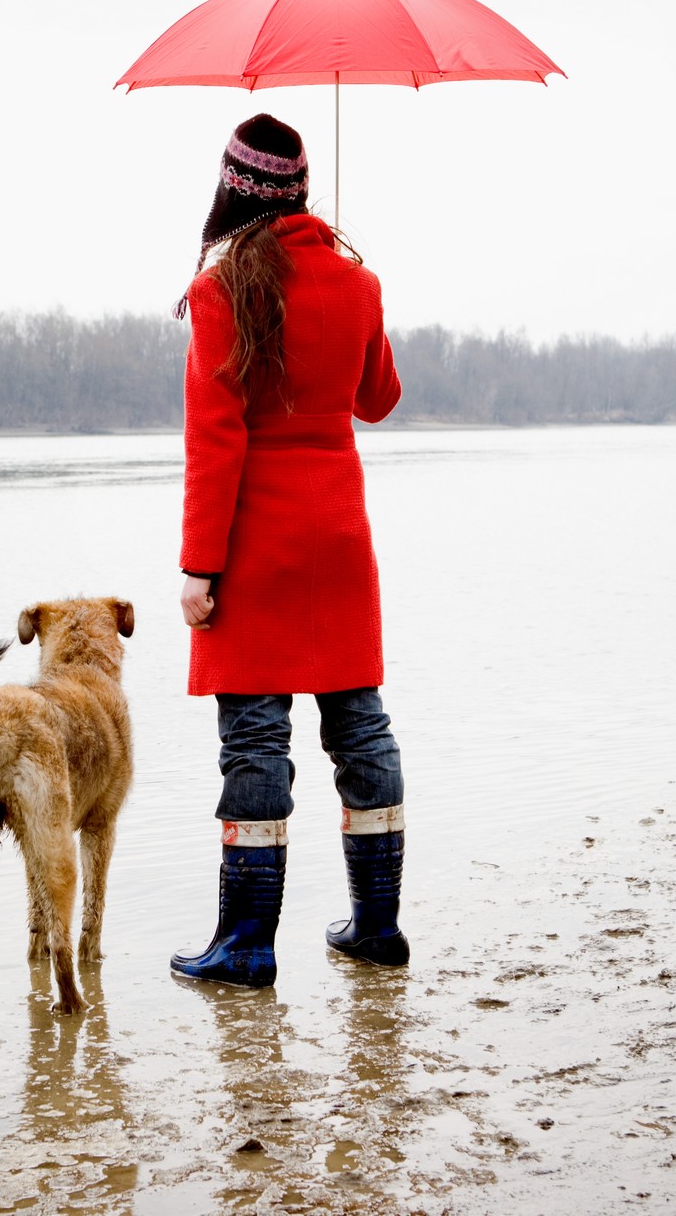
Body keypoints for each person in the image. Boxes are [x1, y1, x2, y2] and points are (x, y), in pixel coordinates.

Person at [170, 113, 408, 990]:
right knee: (359, 722)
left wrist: (200, 567)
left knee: (256, 741)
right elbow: (378, 398)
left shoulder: (222, 291)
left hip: (257, 543)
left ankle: (247, 945)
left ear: (232, 189)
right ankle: (377, 927)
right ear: (304, 190)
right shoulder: (359, 283)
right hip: (340, 539)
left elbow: (217, 439)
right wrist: (356, 301)